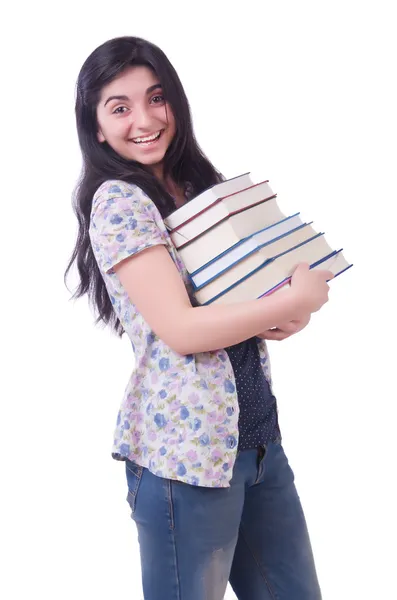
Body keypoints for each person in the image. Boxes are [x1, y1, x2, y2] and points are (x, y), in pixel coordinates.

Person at [66, 36, 332, 600]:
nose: (144, 119)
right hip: (184, 464)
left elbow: (236, 302)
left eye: (157, 98)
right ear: (96, 127)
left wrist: (281, 316)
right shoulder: (119, 201)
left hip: (257, 444)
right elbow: (182, 329)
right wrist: (292, 301)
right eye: (120, 107)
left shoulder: (194, 186)